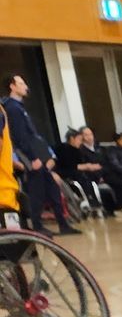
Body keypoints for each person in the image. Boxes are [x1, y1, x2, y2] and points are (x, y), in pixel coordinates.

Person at [4, 73, 75, 233]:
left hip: (36, 153)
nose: (25, 86)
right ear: (12, 86)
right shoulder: (12, 108)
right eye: (21, 83)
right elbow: (20, 137)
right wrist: (33, 158)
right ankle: (37, 226)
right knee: (37, 191)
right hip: (29, 155)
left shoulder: (20, 107)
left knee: (52, 188)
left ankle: (63, 224)